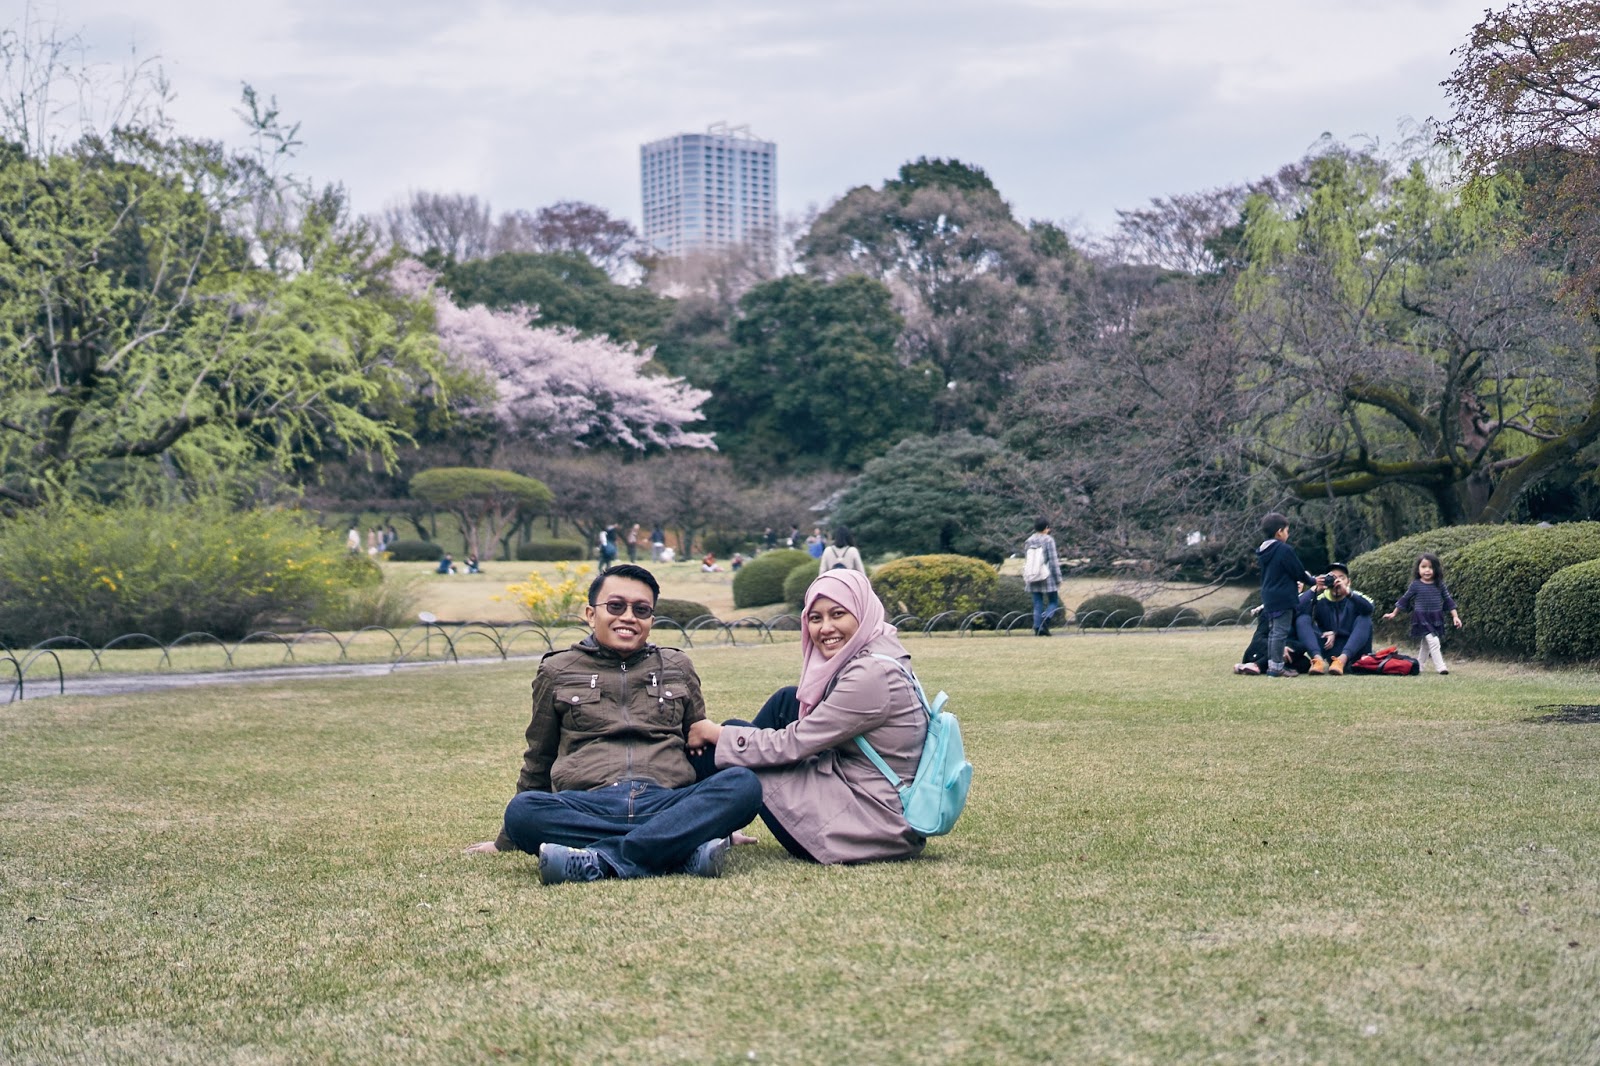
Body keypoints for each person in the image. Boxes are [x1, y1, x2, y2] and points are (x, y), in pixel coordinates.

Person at [465, 564, 763, 883]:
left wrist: (718, 821)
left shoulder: (677, 666)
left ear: (651, 619)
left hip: (665, 801)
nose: (628, 617)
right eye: (616, 606)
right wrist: (505, 840)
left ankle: (600, 861)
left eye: (641, 610)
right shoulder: (557, 670)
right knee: (523, 812)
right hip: (588, 806)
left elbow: (699, 744)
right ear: (591, 614)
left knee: (744, 785)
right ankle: (679, 849)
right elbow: (540, 756)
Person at [685, 569, 929, 865]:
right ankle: (719, 818)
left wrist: (718, 733)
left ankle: (682, 829)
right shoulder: (881, 648)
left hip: (868, 826)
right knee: (787, 701)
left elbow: (793, 744)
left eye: (838, 614)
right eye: (815, 618)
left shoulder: (871, 675)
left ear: (862, 612)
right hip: (878, 803)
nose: (825, 628)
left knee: (725, 742)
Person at [1256, 512, 1320, 678]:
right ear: (1279, 532)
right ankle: (1277, 668)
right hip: (1283, 597)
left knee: (1274, 632)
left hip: (1269, 596)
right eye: (1286, 531)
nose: (1288, 534)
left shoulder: (1263, 550)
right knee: (1280, 632)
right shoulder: (1284, 550)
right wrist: (1313, 581)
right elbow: (1297, 571)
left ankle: (1273, 665)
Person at [1382, 552, 1463, 675]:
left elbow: (1448, 600)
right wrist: (1393, 613)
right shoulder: (1416, 585)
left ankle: (1419, 666)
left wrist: (1455, 617)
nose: (1427, 570)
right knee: (1434, 641)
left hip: (1435, 617)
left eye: (1430, 567)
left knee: (1426, 644)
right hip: (1421, 618)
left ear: (1436, 569)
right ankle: (1441, 667)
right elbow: (1405, 599)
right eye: (1424, 567)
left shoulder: (1440, 584)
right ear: (1418, 569)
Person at [1291, 562, 1374, 675]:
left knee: (1365, 618)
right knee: (1303, 619)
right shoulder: (1320, 599)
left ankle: (1341, 660)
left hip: (1354, 651)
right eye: (1333, 577)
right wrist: (1314, 589)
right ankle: (1318, 661)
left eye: (1341, 578)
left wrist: (1348, 593)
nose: (1337, 581)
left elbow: (1369, 609)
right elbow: (1294, 609)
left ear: (1349, 582)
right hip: (1329, 647)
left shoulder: (1355, 596)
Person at [1023, 518, 1063, 637]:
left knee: (1037, 603)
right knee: (1053, 601)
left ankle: (1037, 627)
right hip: (1047, 575)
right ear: (1046, 528)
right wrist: (1058, 578)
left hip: (1033, 575)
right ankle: (1045, 620)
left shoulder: (1029, 540)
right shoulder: (1048, 540)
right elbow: (1053, 561)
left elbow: (1028, 560)